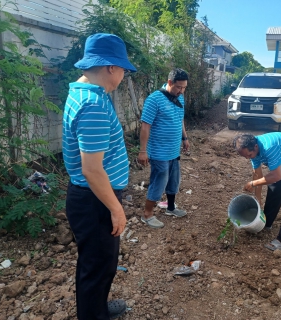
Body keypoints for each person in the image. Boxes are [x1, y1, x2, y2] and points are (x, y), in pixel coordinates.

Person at [62, 33, 137, 319]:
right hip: (95, 201)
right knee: (98, 266)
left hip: (92, 198)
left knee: (99, 263)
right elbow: (92, 169)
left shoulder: (83, 92)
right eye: (122, 69)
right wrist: (116, 209)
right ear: (110, 67)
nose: (123, 75)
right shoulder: (93, 104)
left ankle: (97, 309)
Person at [137, 68, 190, 228]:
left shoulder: (180, 98)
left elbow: (180, 120)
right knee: (159, 181)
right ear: (169, 83)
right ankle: (147, 215)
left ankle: (171, 208)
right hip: (159, 151)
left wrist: (185, 138)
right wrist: (143, 151)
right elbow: (146, 126)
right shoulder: (154, 99)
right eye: (178, 87)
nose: (181, 91)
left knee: (174, 180)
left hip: (174, 150)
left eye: (184, 88)